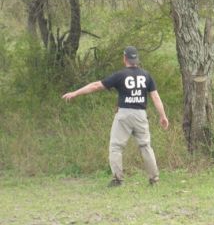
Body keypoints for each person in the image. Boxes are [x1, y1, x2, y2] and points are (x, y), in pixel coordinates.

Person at [62, 46, 169, 187]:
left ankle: (118, 180)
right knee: (145, 146)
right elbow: (155, 96)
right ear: (136, 59)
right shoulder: (146, 75)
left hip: (124, 114)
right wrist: (163, 116)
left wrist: (75, 93)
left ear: (124, 58)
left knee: (116, 147)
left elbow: (96, 86)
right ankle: (154, 180)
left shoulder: (120, 75)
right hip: (141, 115)